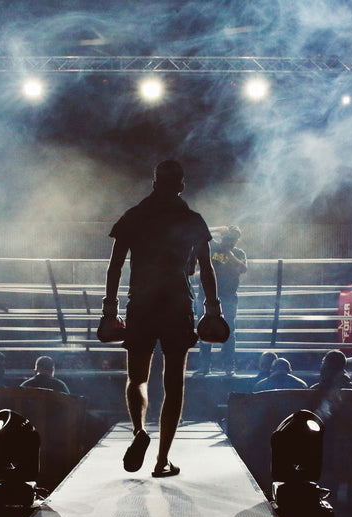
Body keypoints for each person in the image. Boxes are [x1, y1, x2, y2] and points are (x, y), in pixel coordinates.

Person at [103, 159, 221, 477]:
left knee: (137, 379)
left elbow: (115, 266)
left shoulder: (134, 216)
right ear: (181, 185)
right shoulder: (192, 220)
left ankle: (140, 430)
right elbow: (206, 269)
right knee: (174, 385)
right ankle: (162, 460)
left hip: (141, 305)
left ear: (154, 183)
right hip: (176, 305)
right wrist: (214, 308)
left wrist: (109, 310)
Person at [195, 225, 247, 376]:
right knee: (205, 330)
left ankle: (229, 367)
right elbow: (200, 233)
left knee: (230, 331)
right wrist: (219, 229)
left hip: (229, 297)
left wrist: (229, 253)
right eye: (229, 238)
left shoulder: (238, 253)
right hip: (206, 296)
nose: (231, 242)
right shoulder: (212, 248)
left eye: (234, 239)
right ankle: (204, 366)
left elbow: (243, 268)